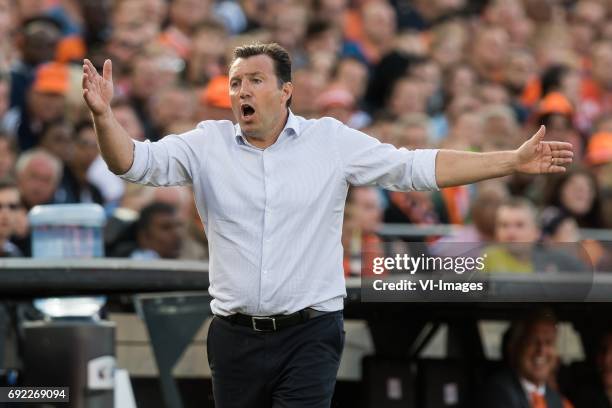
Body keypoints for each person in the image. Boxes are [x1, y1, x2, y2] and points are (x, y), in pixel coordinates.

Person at [82, 42, 574, 407]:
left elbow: (413, 169)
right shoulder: (204, 143)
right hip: (233, 336)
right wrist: (105, 116)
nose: (242, 91)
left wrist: (509, 161)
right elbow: (133, 163)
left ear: (286, 91)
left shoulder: (330, 142)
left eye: (254, 79)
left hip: (310, 333)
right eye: (235, 82)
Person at [481, 309, 574, 408]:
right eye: (533, 342)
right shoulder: (497, 393)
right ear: (515, 347)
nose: (541, 350)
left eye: (549, 342)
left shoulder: (556, 399)